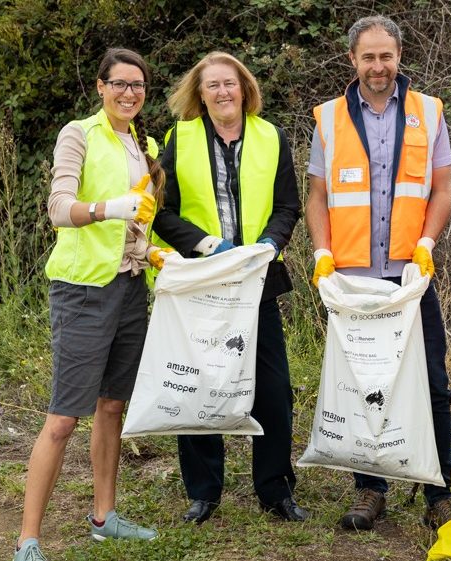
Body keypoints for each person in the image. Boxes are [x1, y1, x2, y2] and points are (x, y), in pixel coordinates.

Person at [306, 15, 451, 531]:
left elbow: (442, 190)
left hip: (412, 278)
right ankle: (370, 490)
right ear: (353, 60)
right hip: (353, 282)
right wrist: (322, 253)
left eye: (385, 56)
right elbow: (317, 198)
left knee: (433, 384)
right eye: (368, 57)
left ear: (399, 56)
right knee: (364, 386)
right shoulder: (327, 118)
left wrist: (426, 244)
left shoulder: (429, 113)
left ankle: (439, 491)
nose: (378, 66)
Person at [13, 47, 165, 561]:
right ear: (100, 87)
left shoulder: (146, 144)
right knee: (62, 417)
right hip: (81, 291)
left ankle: (104, 518)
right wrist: (108, 209)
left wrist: (151, 250)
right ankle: (28, 539)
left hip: (128, 289)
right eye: (119, 84)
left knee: (112, 407)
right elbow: (59, 209)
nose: (129, 93)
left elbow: (136, 227)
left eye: (137, 85)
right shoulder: (78, 133)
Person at [152, 51, 306, 525]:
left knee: (274, 388)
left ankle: (274, 488)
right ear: (199, 94)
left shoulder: (271, 136)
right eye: (212, 85)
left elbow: (288, 207)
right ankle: (203, 492)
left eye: (230, 83)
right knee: (200, 385)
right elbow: (161, 211)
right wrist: (207, 245)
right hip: (202, 280)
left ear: (245, 88)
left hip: (257, 280)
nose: (223, 92)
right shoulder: (178, 140)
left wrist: (267, 246)